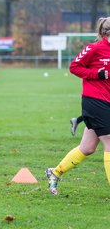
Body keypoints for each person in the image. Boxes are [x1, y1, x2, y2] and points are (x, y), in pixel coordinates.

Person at [46, 17, 110, 195]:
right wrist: (96, 73)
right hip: (95, 101)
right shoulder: (94, 48)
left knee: (88, 148)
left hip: (107, 101)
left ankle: (55, 172)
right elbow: (74, 67)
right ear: (107, 33)